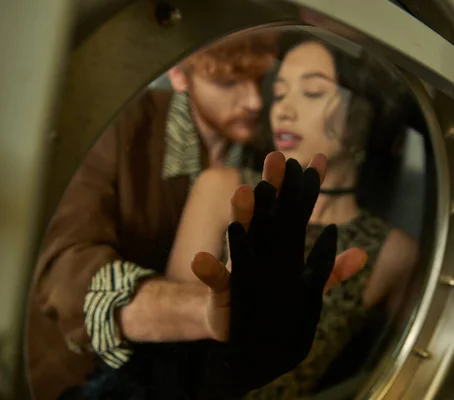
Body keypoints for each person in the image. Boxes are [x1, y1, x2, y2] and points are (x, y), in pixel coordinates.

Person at [27, 30, 363, 400]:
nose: (253, 101)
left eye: (261, 80)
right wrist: (204, 310)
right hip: (69, 372)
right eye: (228, 81)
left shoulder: (265, 154)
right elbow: (65, 268)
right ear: (179, 76)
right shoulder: (121, 125)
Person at [166, 30, 419, 399]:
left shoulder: (393, 252)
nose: (282, 109)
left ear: (363, 114)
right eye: (280, 93)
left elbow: (420, 360)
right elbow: (168, 342)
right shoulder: (224, 191)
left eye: (313, 92)